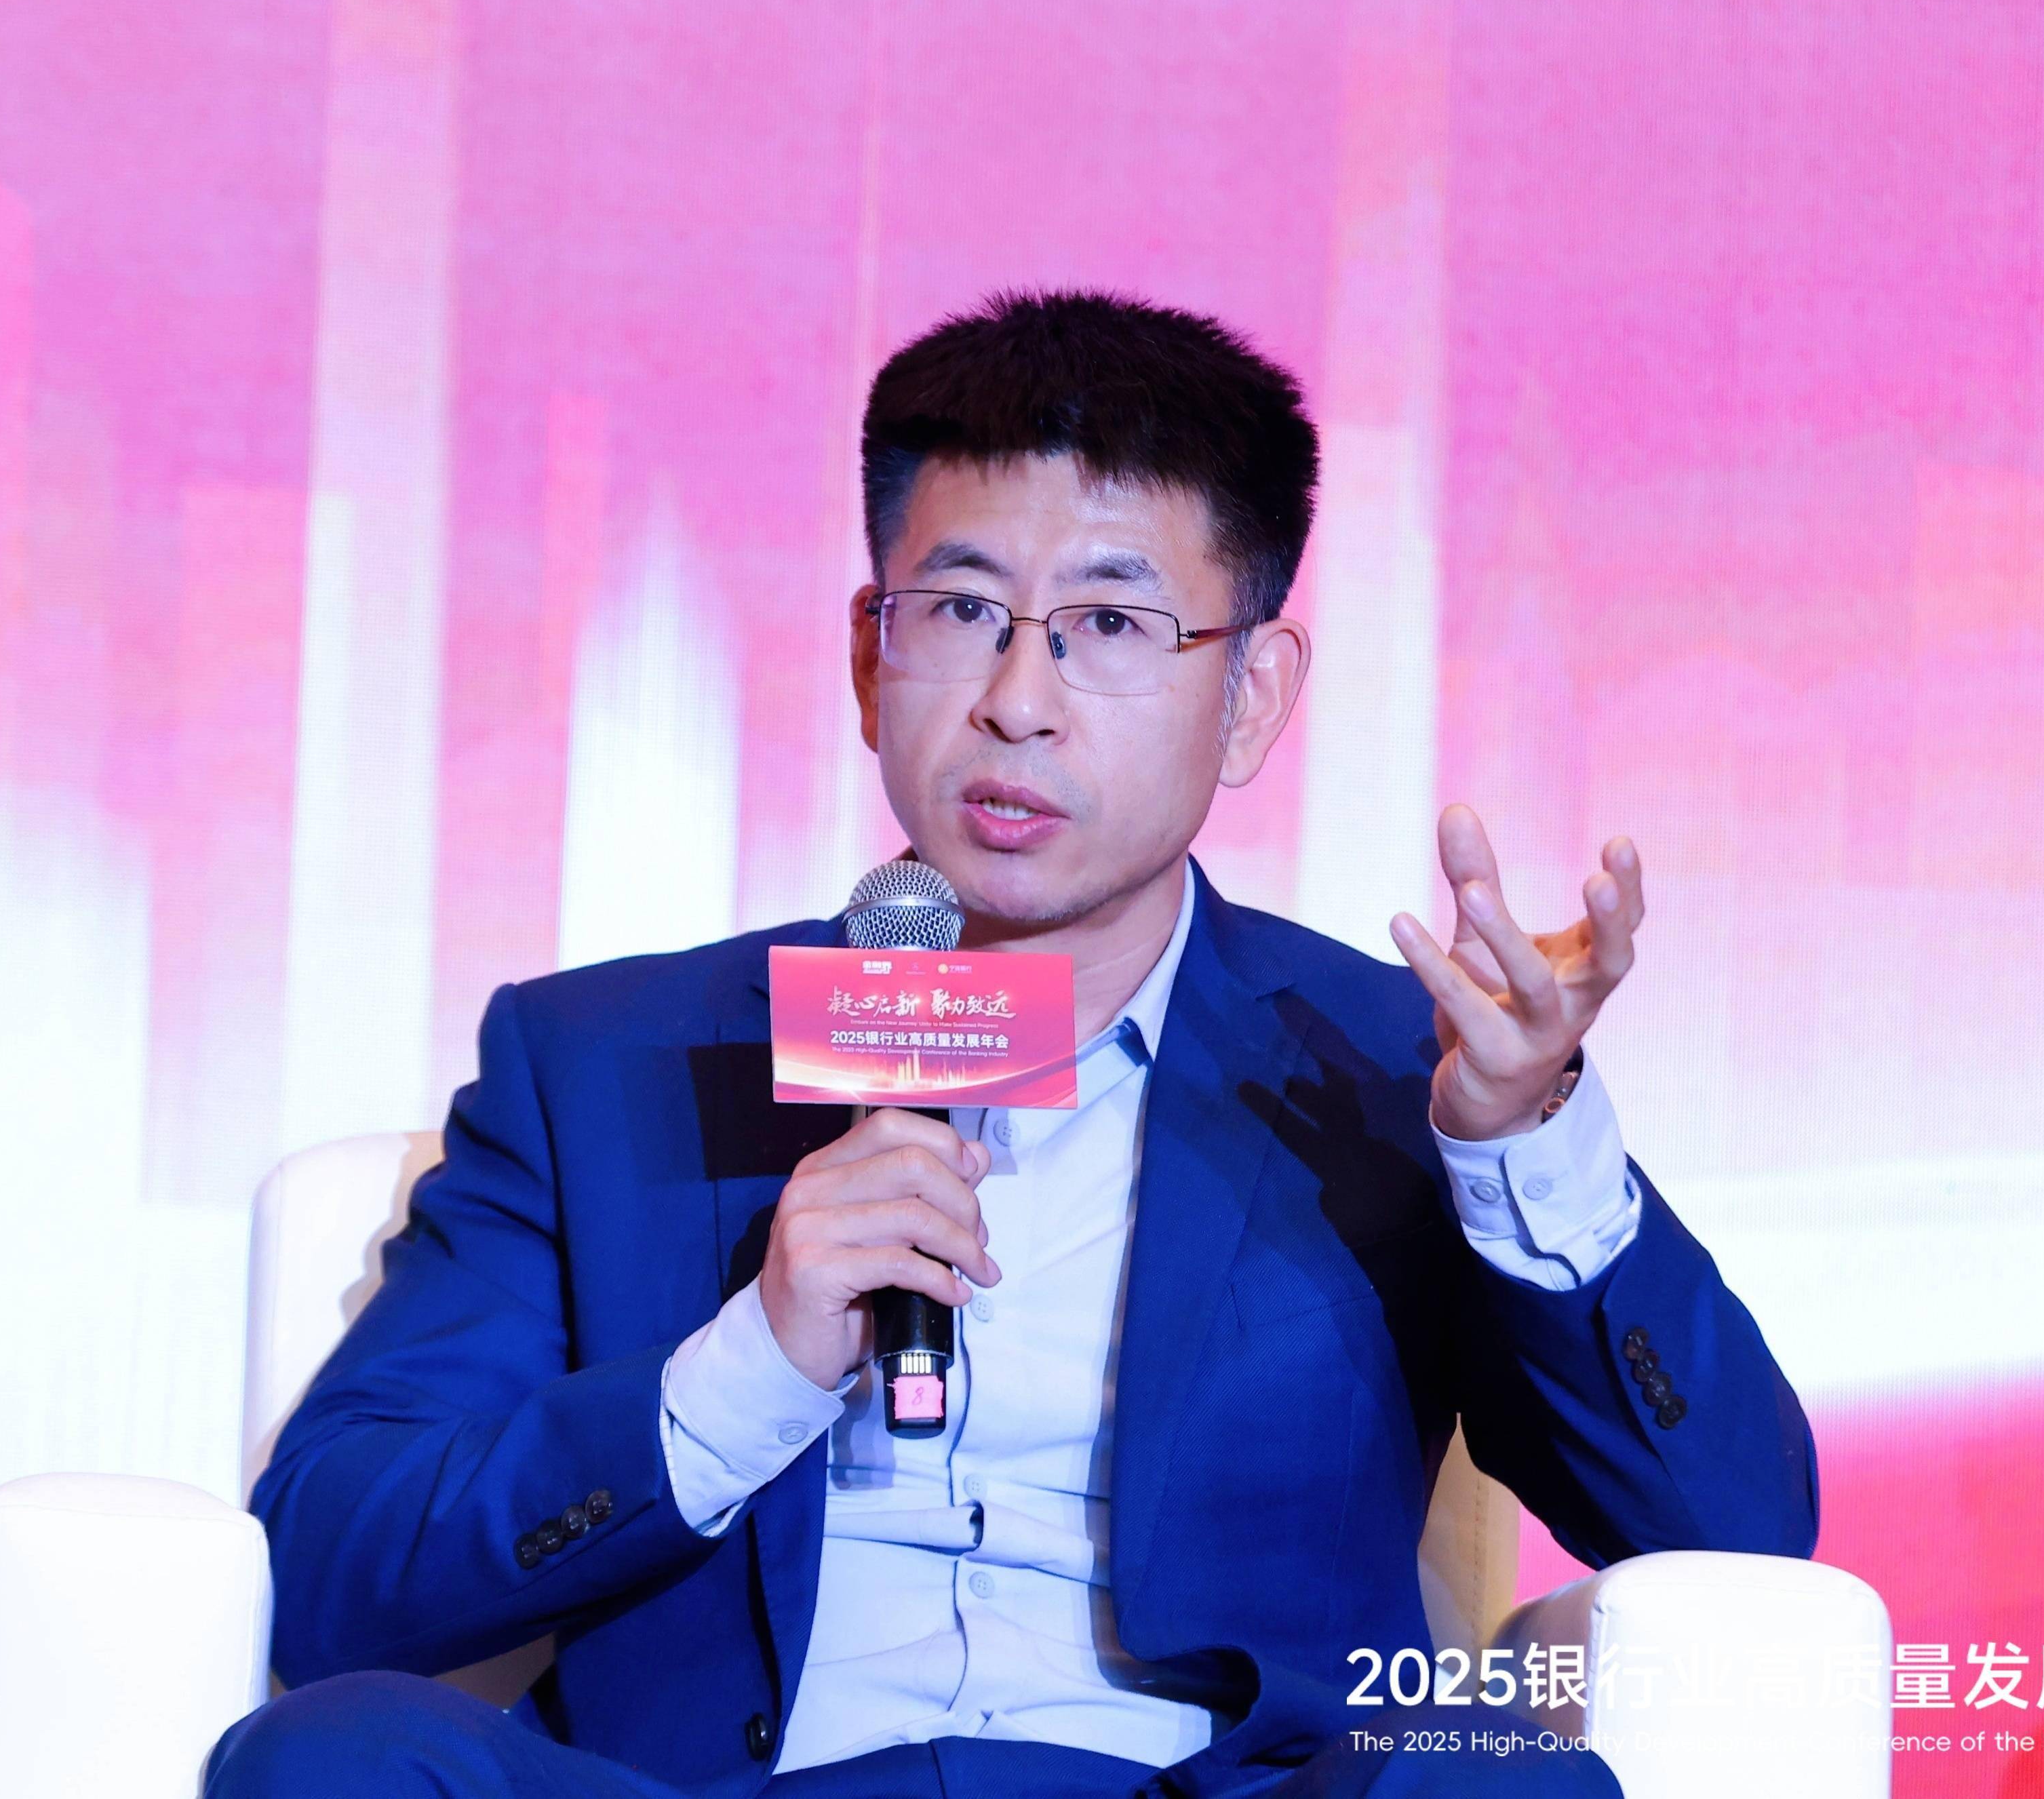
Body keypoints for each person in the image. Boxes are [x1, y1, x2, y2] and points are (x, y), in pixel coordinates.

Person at [206, 290, 1817, 1799]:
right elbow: (336, 1566)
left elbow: (1735, 1533)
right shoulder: (603, 1064)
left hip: (1200, 1785)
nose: (1017, 700)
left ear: (1253, 696)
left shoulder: (1397, 1069)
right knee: (337, 1755)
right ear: (869, 658)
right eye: (963, 609)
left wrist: (1524, 1142)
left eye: (1109, 622)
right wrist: (752, 1359)